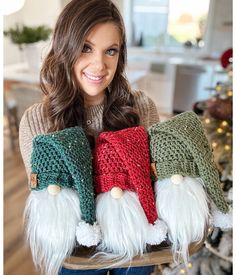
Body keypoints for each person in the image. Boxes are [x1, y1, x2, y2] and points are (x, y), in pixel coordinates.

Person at [19, 0, 160, 274]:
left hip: (134, 246)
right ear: (64, 47)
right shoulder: (38, 121)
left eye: (111, 51)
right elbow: (50, 207)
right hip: (76, 255)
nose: (99, 65)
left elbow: (155, 188)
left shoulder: (141, 108)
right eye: (85, 48)